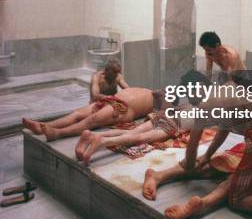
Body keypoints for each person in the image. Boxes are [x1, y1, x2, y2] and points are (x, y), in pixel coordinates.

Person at [75, 70, 212, 163]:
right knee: (140, 137)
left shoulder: (189, 100)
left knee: (134, 131)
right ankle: (102, 141)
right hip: (174, 123)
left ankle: (91, 135)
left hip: (167, 115)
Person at [22, 86, 155, 142]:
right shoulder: (150, 90)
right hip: (112, 99)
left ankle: (57, 133)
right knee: (77, 113)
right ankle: (43, 125)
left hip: (122, 108)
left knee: (92, 119)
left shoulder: (162, 104)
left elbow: (158, 118)